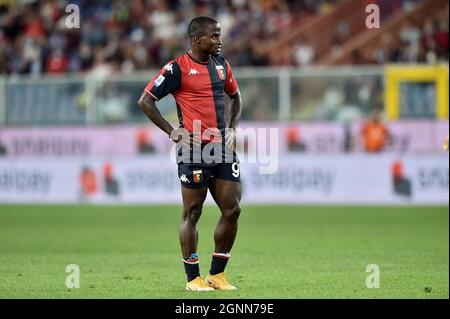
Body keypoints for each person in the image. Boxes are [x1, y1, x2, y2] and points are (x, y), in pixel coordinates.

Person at [137, 16, 243, 292]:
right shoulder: (176, 69)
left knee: (232, 210)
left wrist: (231, 128)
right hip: (193, 150)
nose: (220, 40)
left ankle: (216, 275)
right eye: (214, 36)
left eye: (220, 35)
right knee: (192, 213)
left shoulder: (222, 66)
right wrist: (172, 131)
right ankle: (192, 279)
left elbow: (236, 97)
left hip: (221, 148)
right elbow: (145, 100)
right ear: (197, 39)